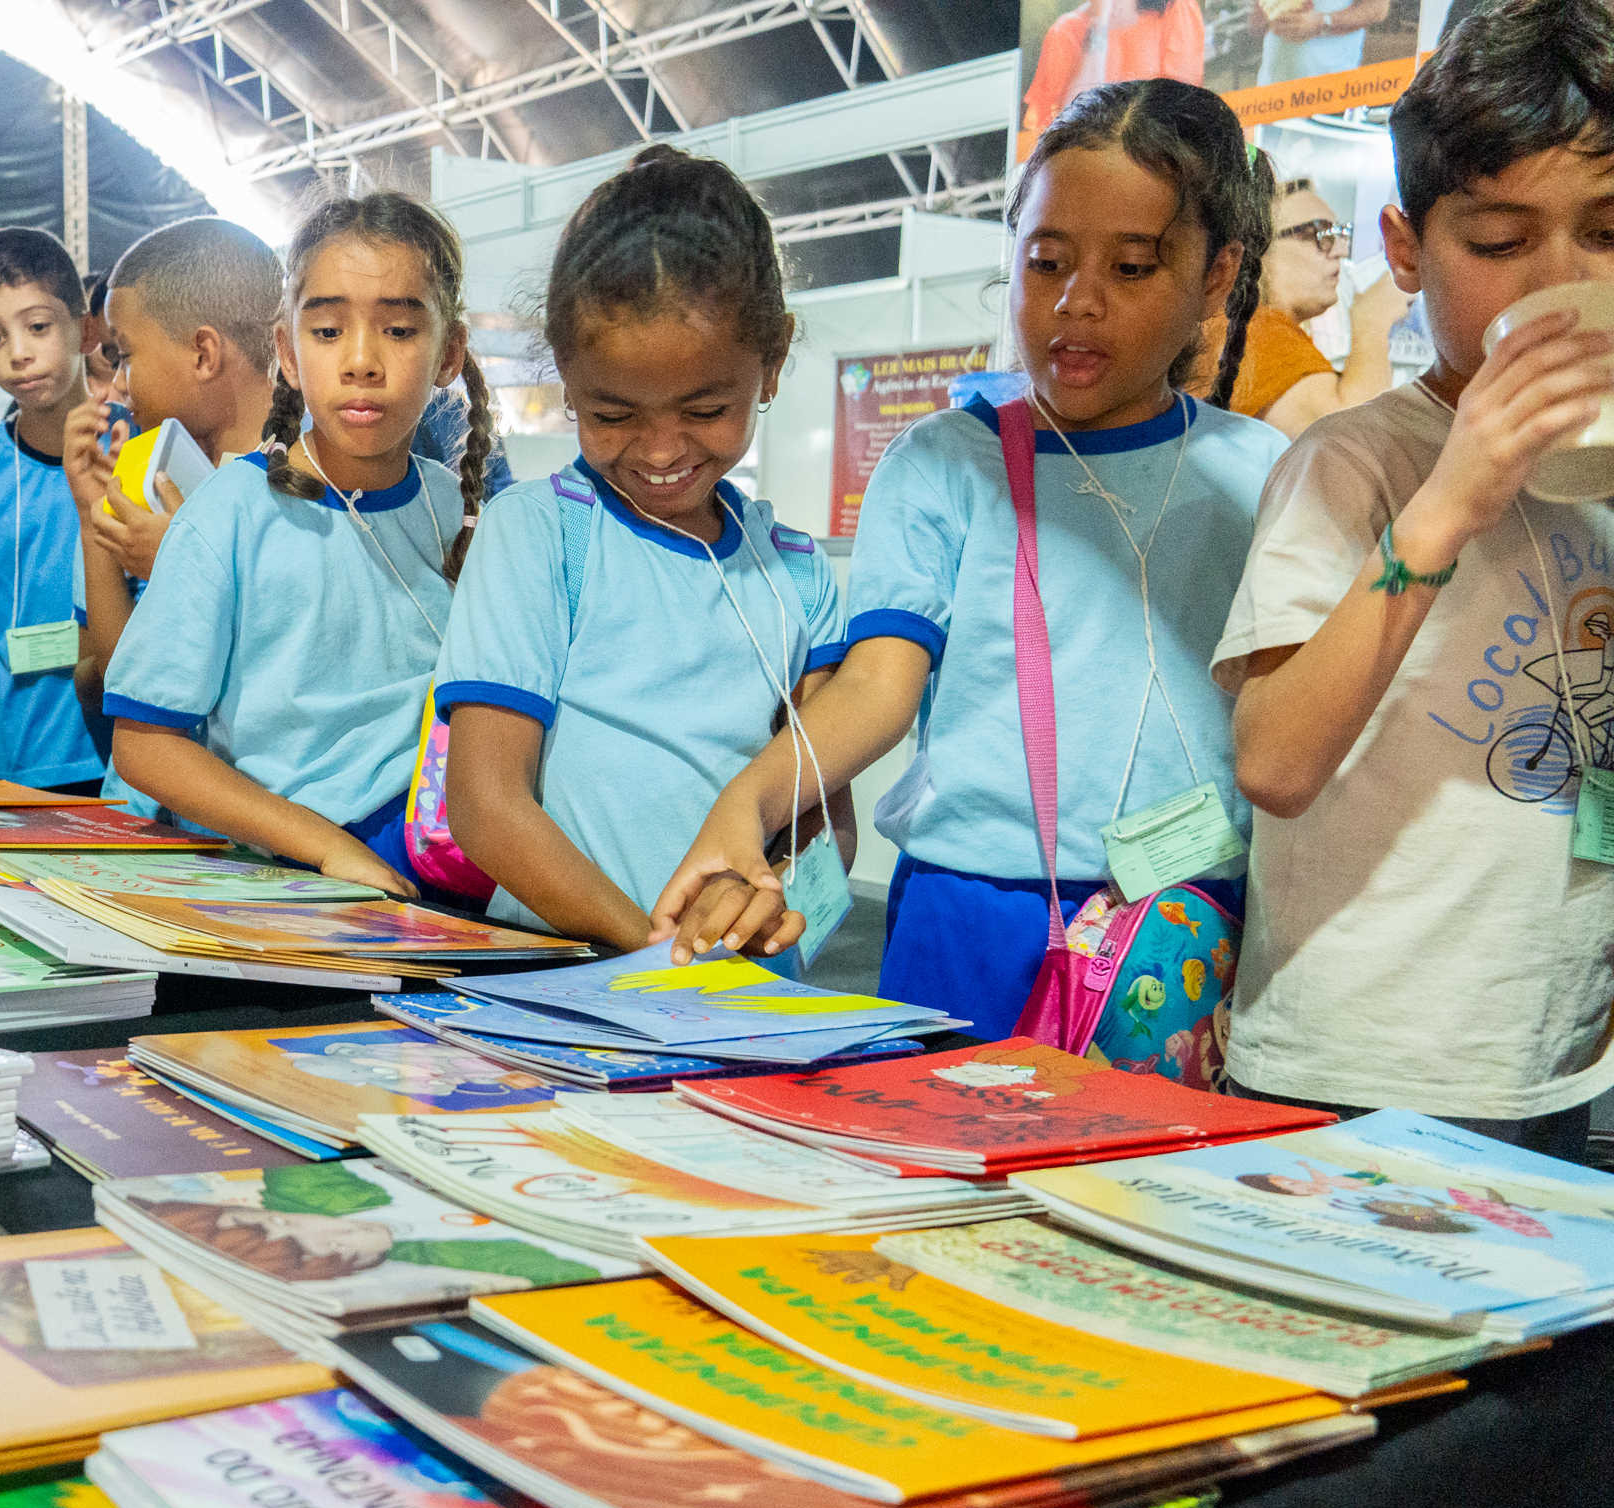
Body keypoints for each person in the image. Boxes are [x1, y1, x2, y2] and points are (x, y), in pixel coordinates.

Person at [652, 79, 1282, 1042]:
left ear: (1215, 275)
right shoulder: (945, 463)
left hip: (1187, 927)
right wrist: (751, 800)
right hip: (972, 916)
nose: (1077, 301)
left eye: (1131, 267)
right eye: (1047, 261)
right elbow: (878, 684)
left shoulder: (1262, 474)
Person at [1213, 0, 1614, 1161]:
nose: (1558, 279)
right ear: (1403, 250)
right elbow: (1273, 761)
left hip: (1549, 1050)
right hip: (1354, 1060)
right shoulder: (1349, 464)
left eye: (1605, 232)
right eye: (1497, 244)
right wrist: (1448, 503)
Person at [434, 144, 846, 947]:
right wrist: (653, 954)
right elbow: (487, 804)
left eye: (705, 410)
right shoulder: (540, 534)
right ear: (566, 378)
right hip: (561, 982)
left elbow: (822, 823)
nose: (661, 450)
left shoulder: (796, 576)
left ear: (771, 362)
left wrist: (766, 901)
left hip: (732, 994)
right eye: (614, 415)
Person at [103, 191, 493, 897]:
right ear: (286, 350)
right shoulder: (230, 513)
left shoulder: (455, 507)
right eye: (328, 331)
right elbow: (145, 744)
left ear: (450, 353)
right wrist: (327, 848)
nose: (362, 361)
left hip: (444, 866)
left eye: (399, 330)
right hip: (295, 882)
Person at [66, 216, 282, 714]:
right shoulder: (151, 478)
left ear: (204, 354)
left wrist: (188, 560)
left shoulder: (310, 479)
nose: (119, 384)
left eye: (125, 355)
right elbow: (124, 677)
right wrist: (93, 511)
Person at [0, 227, 112, 789]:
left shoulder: (131, 449)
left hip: (123, 767)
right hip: (11, 767)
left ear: (86, 330)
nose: (18, 353)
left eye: (38, 327)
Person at [1229, 176, 1413, 436]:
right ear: (1259, 249)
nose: (1340, 250)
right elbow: (1350, 439)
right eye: (1319, 233)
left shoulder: (1264, 328)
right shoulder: (1257, 332)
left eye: (1339, 233)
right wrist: (1372, 319)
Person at [1021, 0, 1205, 144]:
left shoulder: (1175, 9)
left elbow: (1182, 112)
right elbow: (1067, 129)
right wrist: (1099, 24)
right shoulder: (1064, 31)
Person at [1260, 0, 1389, 85]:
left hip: (1332, 84)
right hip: (1275, 83)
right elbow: (1257, 19)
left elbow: (1378, 9)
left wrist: (1321, 22)